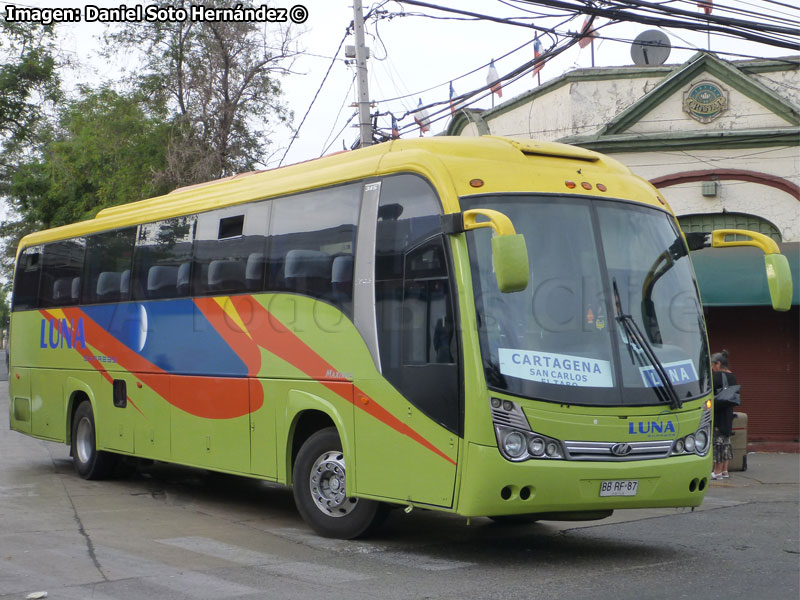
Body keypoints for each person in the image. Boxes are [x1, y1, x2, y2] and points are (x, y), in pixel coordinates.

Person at [711, 349, 737, 480]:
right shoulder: (732, 376)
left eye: (712, 365)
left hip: (718, 413)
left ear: (718, 364)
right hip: (728, 413)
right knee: (726, 441)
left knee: (718, 443)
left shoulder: (716, 377)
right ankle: (725, 470)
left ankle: (717, 472)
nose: (711, 368)